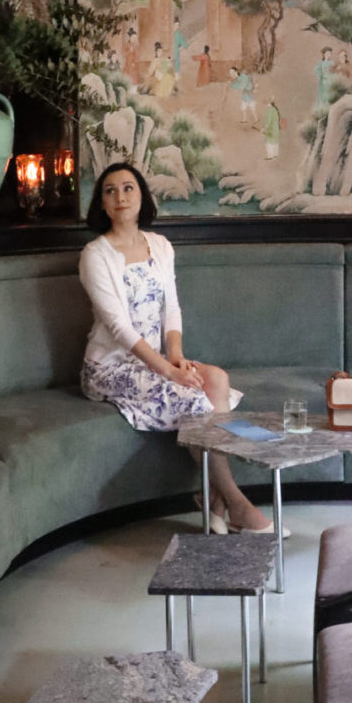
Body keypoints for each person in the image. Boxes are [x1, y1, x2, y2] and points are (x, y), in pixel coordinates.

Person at [79, 162, 274, 533]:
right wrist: (168, 372)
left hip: (155, 361)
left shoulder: (160, 246)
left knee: (214, 379)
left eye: (128, 188)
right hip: (110, 368)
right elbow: (118, 326)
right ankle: (236, 502)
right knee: (194, 399)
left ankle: (211, 499)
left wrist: (177, 356)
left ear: (142, 197)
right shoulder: (95, 255)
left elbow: (172, 308)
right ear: (101, 204)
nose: (120, 196)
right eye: (110, 190)